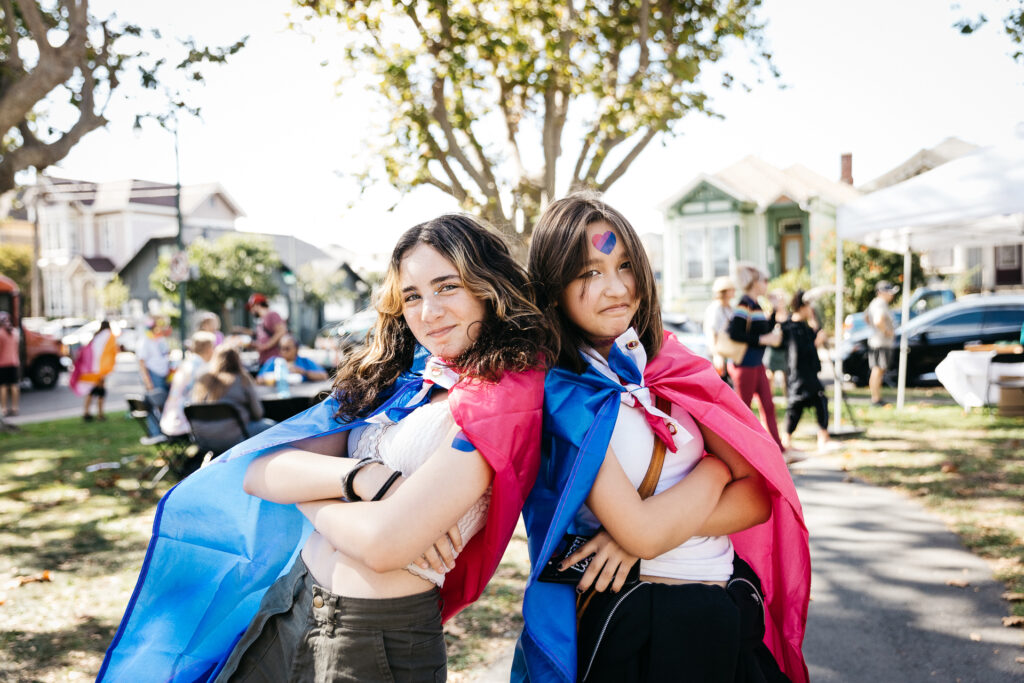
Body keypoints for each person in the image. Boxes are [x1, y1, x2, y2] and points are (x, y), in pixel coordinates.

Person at [98, 214, 550, 682]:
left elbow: (382, 545)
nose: (429, 311)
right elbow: (261, 470)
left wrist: (311, 493)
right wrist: (360, 478)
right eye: (412, 295)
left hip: (372, 637)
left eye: (448, 286)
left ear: (487, 287)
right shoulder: (404, 380)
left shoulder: (505, 398)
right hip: (291, 603)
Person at [515, 193, 809, 683]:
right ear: (554, 287)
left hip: (724, 610)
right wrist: (716, 473)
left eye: (625, 265)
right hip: (642, 627)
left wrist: (653, 528)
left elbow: (758, 497)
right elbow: (644, 534)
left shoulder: (672, 367)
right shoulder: (564, 398)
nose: (616, 287)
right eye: (589, 272)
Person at [727, 262, 786, 452]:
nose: (767, 284)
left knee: (768, 406)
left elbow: (766, 328)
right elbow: (735, 333)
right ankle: (743, 450)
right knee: (744, 410)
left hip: (756, 364)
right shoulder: (744, 304)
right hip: (744, 365)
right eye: (765, 280)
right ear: (755, 282)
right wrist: (762, 339)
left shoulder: (756, 304)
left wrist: (776, 310)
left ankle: (777, 449)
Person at [779, 290, 837, 453]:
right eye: (808, 306)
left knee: (817, 402)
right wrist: (817, 342)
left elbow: (812, 335)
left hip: (808, 372)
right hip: (800, 374)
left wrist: (813, 321)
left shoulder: (803, 326)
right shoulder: (791, 327)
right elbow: (802, 351)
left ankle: (820, 437)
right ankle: (789, 440)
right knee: (798, 406)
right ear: (802, 306)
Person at [191, 345, 275, 451]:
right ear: (237, 359)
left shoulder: (203, 379)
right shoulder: (242, 379)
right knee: (275, 428)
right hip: (237, 438)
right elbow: (258, 413)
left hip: (204, 439)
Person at [159, 331, 218, 437]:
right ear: (208, 349)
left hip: (170, 419)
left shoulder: (186, 364)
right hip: (185, 422)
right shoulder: (202, 368)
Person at [70, 320, 119, 421]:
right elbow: (109, 353)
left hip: (92, 371)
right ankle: (99, 414)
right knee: (100, 392)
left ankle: (87, 412)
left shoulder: (97, 337)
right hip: (100, 371)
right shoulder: (108, 336)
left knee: (92, 391)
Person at [865, 280, 898, 407]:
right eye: (889, 292)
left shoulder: (874, 303)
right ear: (881, 292)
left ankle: (876, 398)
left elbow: (866, 318)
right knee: (878, 370)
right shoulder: (880, 304)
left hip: (876, 341)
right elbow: (878, 320)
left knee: (877, 370)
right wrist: (887, 331)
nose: (892, 295)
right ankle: (876, 399)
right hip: (880, 342)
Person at [255, 334, 328, 384]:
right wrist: (275, 377)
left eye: (287, 349)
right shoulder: (274, 362)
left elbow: (324, 376)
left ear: (296, 349)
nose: (284, 351)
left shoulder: (304, 361)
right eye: (281, 348)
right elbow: (259, 379)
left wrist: (304, 373)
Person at [703, 276, 735, 384]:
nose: (734, 291)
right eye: (731, 289)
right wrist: (716, 355)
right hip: (718, 354)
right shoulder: (715, 309)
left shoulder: (729, 308)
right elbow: (711, 332)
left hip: (727, 352)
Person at [136, 316, 173, 408]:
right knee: (156, 404)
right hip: (154, 375)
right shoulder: (145, 340)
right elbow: (141, 362)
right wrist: (148, 382)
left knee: (165, 404)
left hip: (165, 374)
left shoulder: (161, 339)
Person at [245, 293, 288, 366]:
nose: (251, 311)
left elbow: (282, 331)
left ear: (257, 305)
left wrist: (266, 346)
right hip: (265, 361)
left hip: (274, 360)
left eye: (251, 308)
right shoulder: (261, 320)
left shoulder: (272, 315)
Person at [0, 311, 20, 417]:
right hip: (14, 362)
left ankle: (4, 408)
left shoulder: (0, 334)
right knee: (14, 385)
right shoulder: (15, 332)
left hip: (2, 363)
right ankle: (15, 407)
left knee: (3, 386)